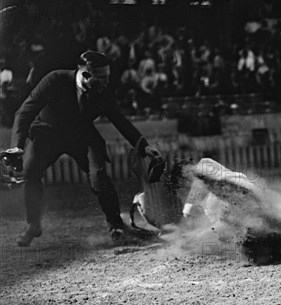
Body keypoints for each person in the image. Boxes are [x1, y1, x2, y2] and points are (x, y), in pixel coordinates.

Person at [2, 51, 164, 247]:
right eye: (102, 78)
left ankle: (116, 226)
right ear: (86, 74)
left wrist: (144, 146)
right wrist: (16, 147)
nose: (106, 82)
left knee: (99, 176)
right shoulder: (54, 80)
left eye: (108, 77)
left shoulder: (103, 93)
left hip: (82, 137)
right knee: (30, 172)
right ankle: (33, 225)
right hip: (47, 134)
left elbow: (121, 121)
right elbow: (24, 112)